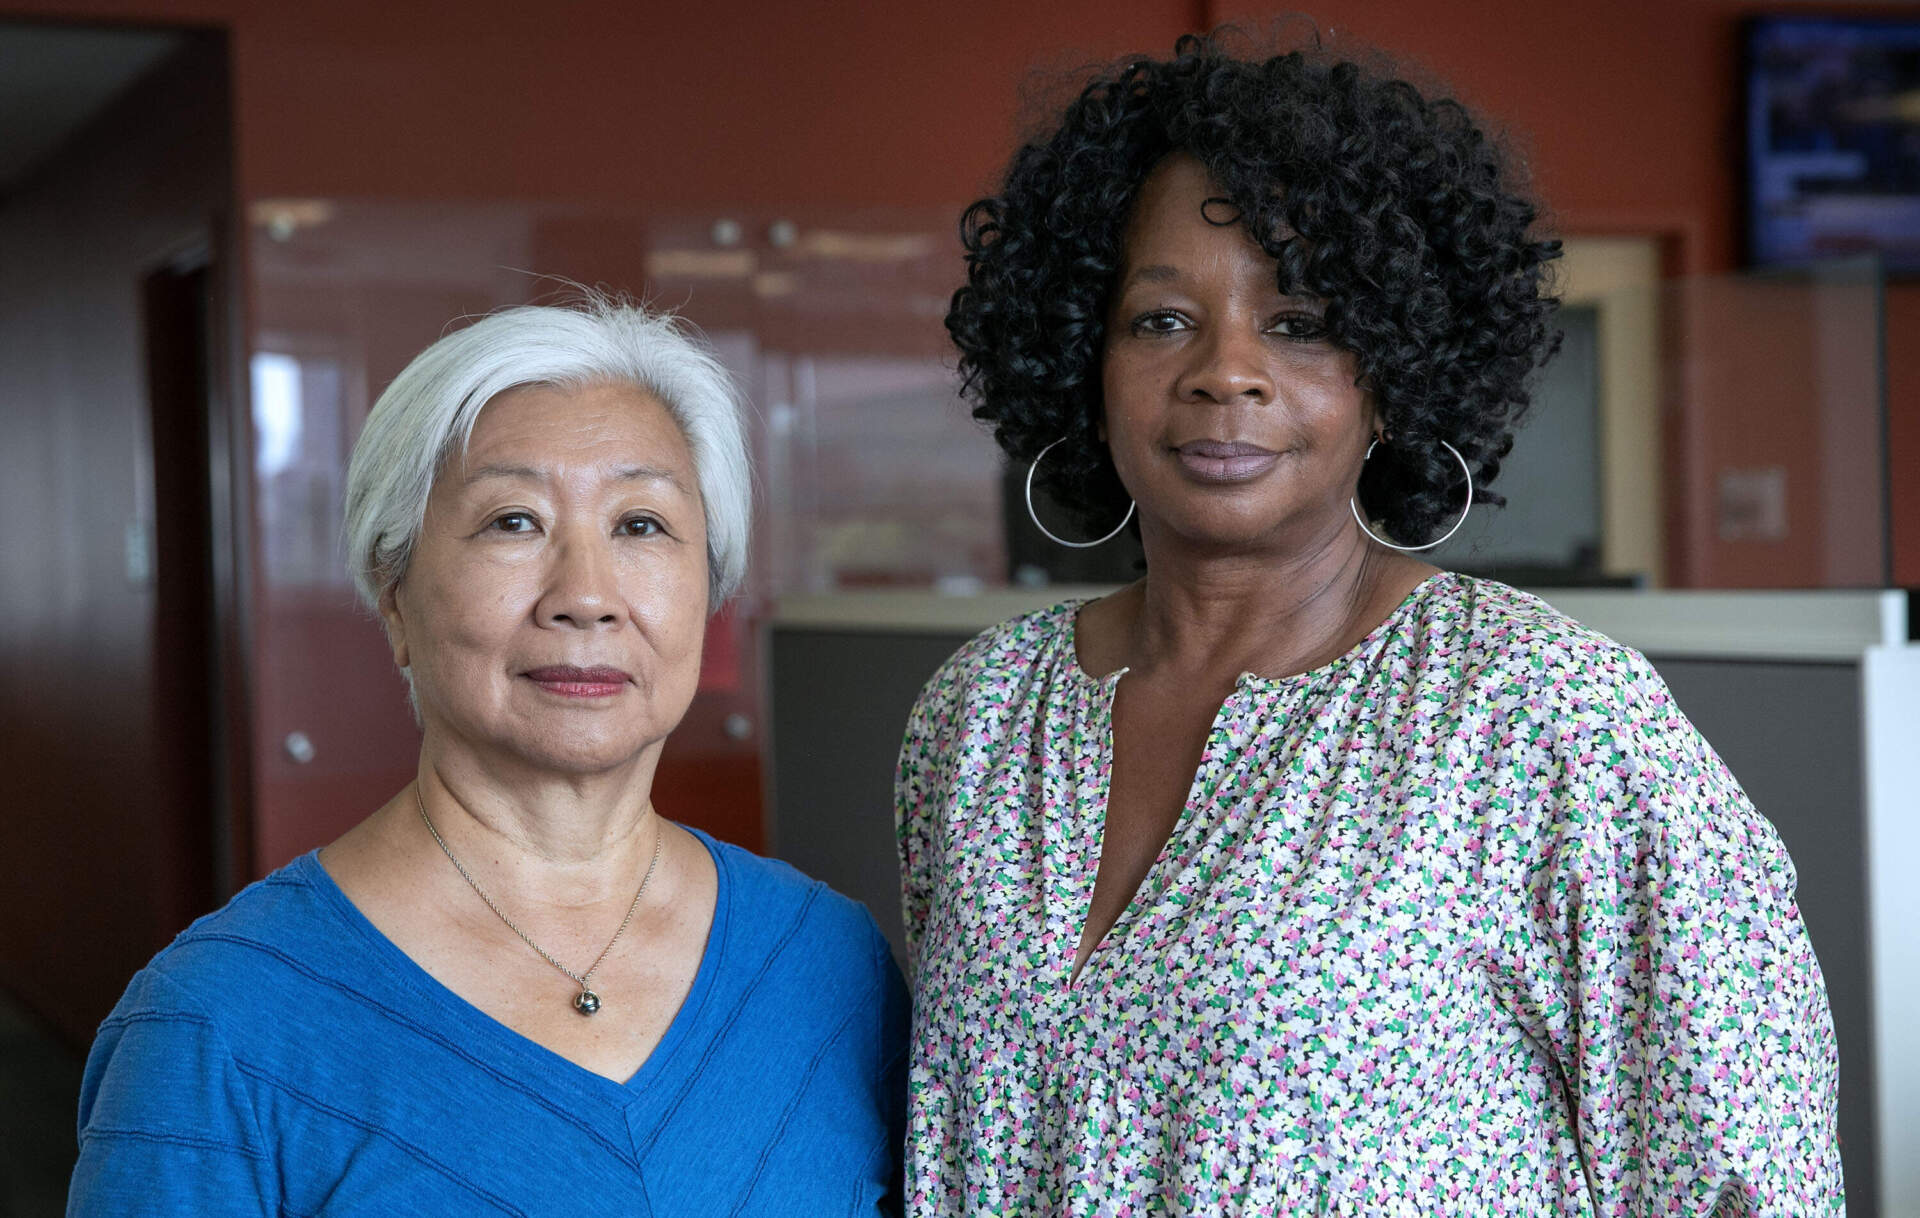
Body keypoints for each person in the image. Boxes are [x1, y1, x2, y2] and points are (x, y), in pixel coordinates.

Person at [897, 33, 1841, 1216]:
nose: (1224, 373)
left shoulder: (1544, 716)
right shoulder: (981, 719)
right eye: (1159, 321)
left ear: (1393, 373)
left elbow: (1743, 1178)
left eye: (1299, 322)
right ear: (1082, 359)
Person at [71, 298, 908, 1214]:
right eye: (514, 521)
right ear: (394, 597)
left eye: (641, 525)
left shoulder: (831, 964)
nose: (586, 597)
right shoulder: (215, 1026)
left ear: (709, 591)